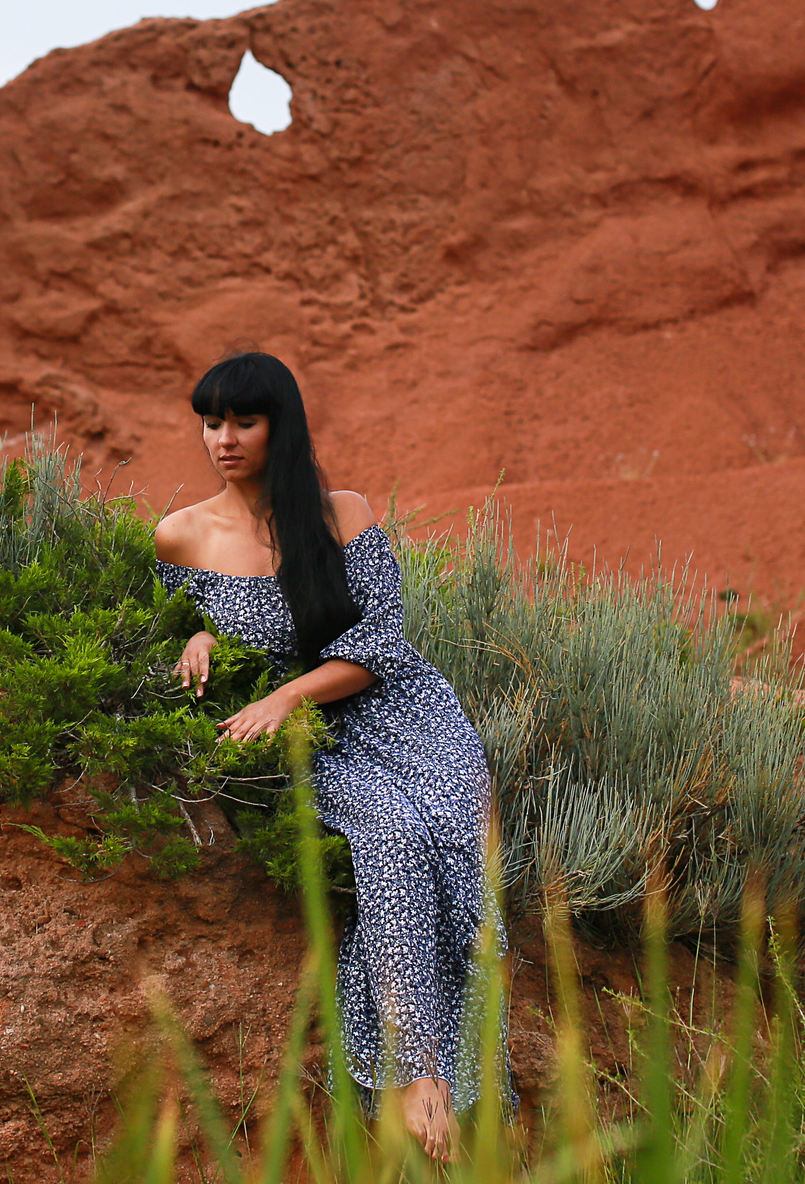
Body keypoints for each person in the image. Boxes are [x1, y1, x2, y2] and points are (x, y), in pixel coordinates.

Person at [151, 351, 506, 1162]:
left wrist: (283, 694)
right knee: (393, 833)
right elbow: (161, 633)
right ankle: (421, 1076)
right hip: (313, 738)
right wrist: (199, 632)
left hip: (400, 710)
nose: (224, 438)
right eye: (211, 421)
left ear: (282, 423)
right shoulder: (181, 533)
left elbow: (381, 640)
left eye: (244, 419)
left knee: (458, 830)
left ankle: (460, 1061)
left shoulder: (342, 512)